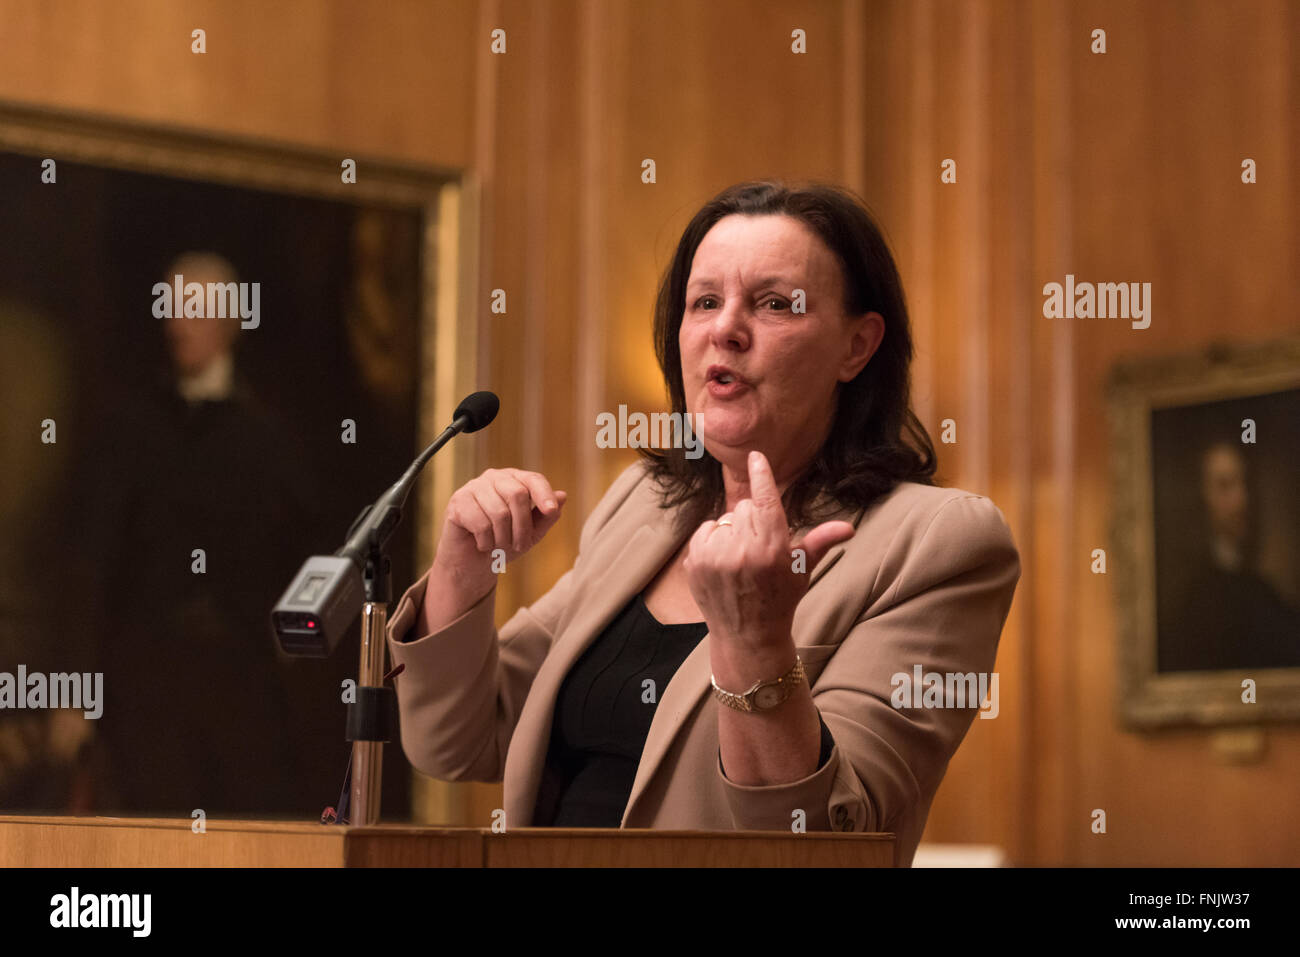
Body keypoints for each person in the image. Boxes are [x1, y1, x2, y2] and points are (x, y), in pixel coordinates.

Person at [385, 181, 1021, 866]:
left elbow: (827, 843)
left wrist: (754, 642)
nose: (726, 328)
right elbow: (461, 740)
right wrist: (462, 570)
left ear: (857, 347)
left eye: (775, 303)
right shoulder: (644, 504)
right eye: (705, 301)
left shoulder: (938, 544)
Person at [1160, 440, 1299, 671]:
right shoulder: (1193, 597)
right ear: (1201, 497)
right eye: (1225, 486)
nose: (1241, 499)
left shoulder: (1261, 592)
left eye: (1244, 483)